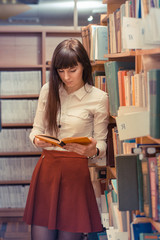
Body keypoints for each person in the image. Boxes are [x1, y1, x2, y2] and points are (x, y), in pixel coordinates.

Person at [23, 38, 109, 240]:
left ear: (84, 66)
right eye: (61, 71)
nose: (66, 77)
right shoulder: (48, 90)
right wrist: (37, 140)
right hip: (47, 170)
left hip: (75, 175)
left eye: (72, 70)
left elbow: (102, 142)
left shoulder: (98, 97)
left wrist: (94, 151)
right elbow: (36, 129)